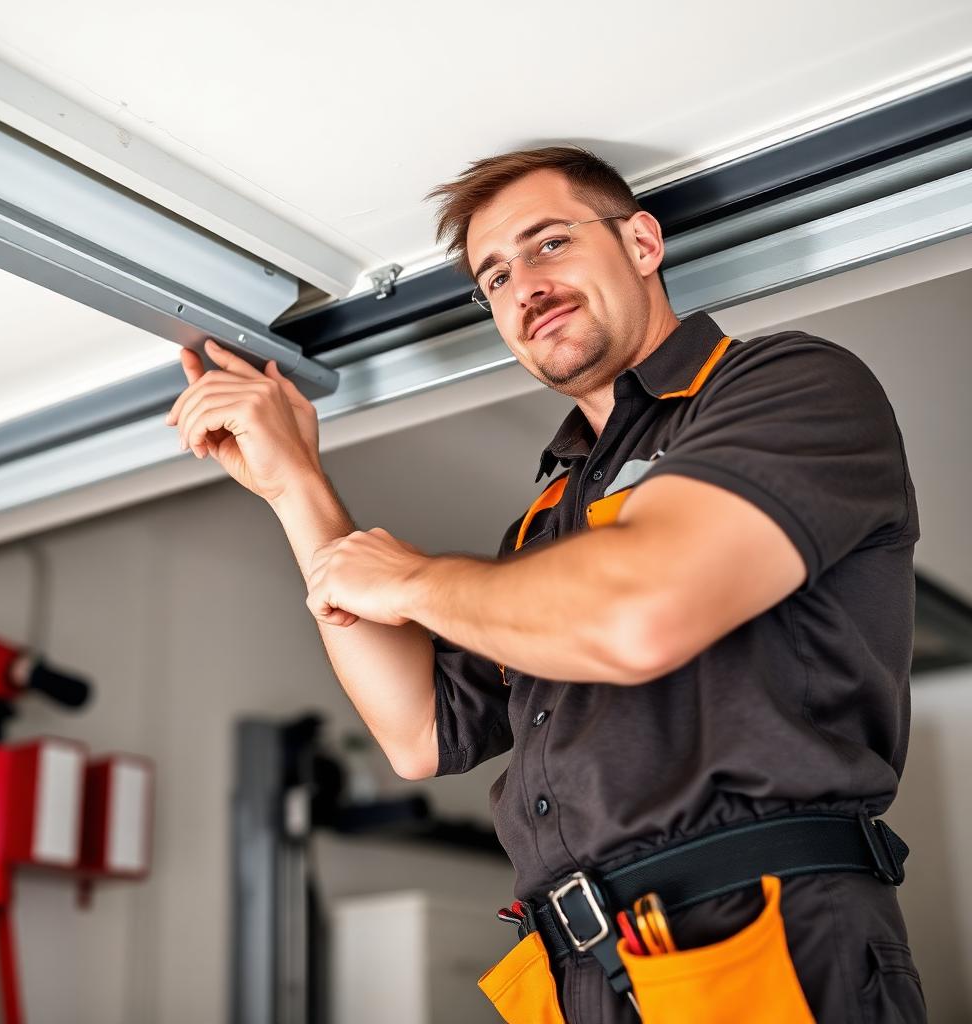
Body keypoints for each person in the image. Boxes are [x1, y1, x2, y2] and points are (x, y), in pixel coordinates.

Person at [165, 146, 925, 1023]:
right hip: (579, 971)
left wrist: (413, 579)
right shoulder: (547, 521)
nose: (524, 286)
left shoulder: (785, 383)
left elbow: (638, 611)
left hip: (755, 936)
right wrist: (295, 485)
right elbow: (418, 730)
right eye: (495, 276)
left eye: (550, 243)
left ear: (642, 243)